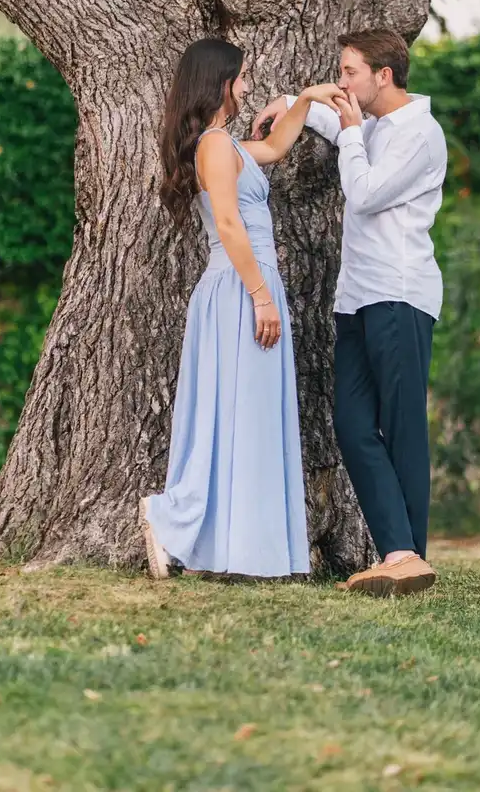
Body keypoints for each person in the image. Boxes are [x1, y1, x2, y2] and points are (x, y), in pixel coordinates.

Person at [253, 29, 447, 596]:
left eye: (349, 73)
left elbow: (363, 193)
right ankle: (401, 553)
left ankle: (410, 556)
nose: (342, 82)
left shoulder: (421, 135)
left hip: (401, 294)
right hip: (356, 297)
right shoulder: (375, 125)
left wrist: (351, 131)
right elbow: (333, 123)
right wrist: (295, 104)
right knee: (354, 425)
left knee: (403, 429)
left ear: (382, 77)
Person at [140, 38, 341, 580]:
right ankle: (171, 518)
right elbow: (228, 224)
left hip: (246, 285)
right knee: (237, 410)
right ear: (220, 83)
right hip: (239, 289)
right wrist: (261, 296)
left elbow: (275, 149)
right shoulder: (211, 145)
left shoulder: (225, 144)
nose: (249, 86)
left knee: (245, 415)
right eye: (244, 77)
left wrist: (304, 99)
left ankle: (235, 546)